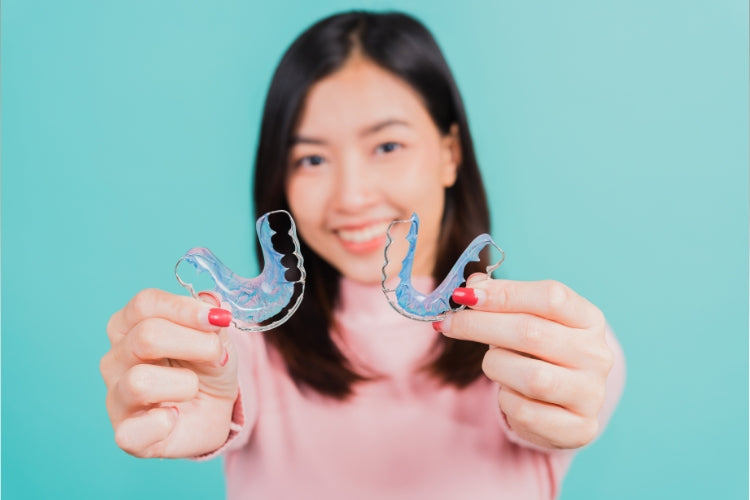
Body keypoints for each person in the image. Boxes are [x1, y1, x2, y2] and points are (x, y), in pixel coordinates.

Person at [100, 10, 625, 500]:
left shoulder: (546, 351)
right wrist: (190, 392)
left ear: (450, 154)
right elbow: (219, 384)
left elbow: (564, 405)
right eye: (311, 158)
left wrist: (559, 400)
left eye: (387, 147)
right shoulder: (245, 352)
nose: (351, 196)